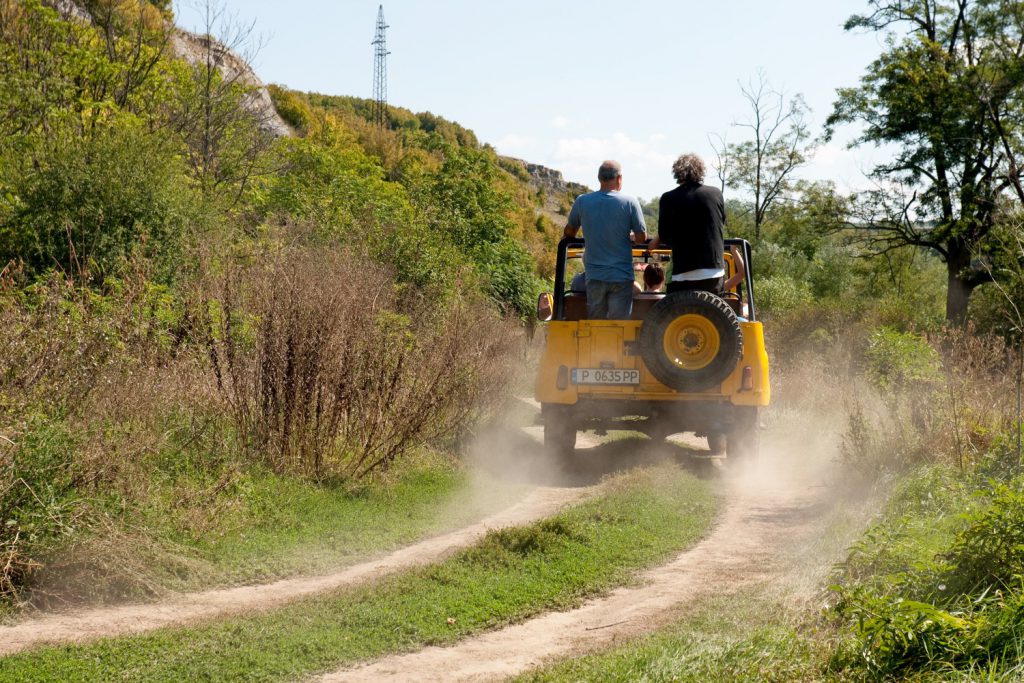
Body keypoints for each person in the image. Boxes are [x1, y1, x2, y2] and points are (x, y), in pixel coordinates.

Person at [564, 160, 647, 319]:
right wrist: (630, 238)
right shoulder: (630, 202)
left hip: (595, 276)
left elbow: (570, 231)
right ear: (619, 178)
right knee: (618, 326)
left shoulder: (582, 201)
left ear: (599, 178)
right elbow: (641, 237)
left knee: (596, 324)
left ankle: (597, 345)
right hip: (621, 277)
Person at [647, 153, 725, 295]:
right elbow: (720, 223)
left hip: (683, 271)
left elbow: (665, 236)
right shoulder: (716, 193)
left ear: (677, 172)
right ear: (701, 171)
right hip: (714, 270)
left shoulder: (668, 198)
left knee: (678, 314)